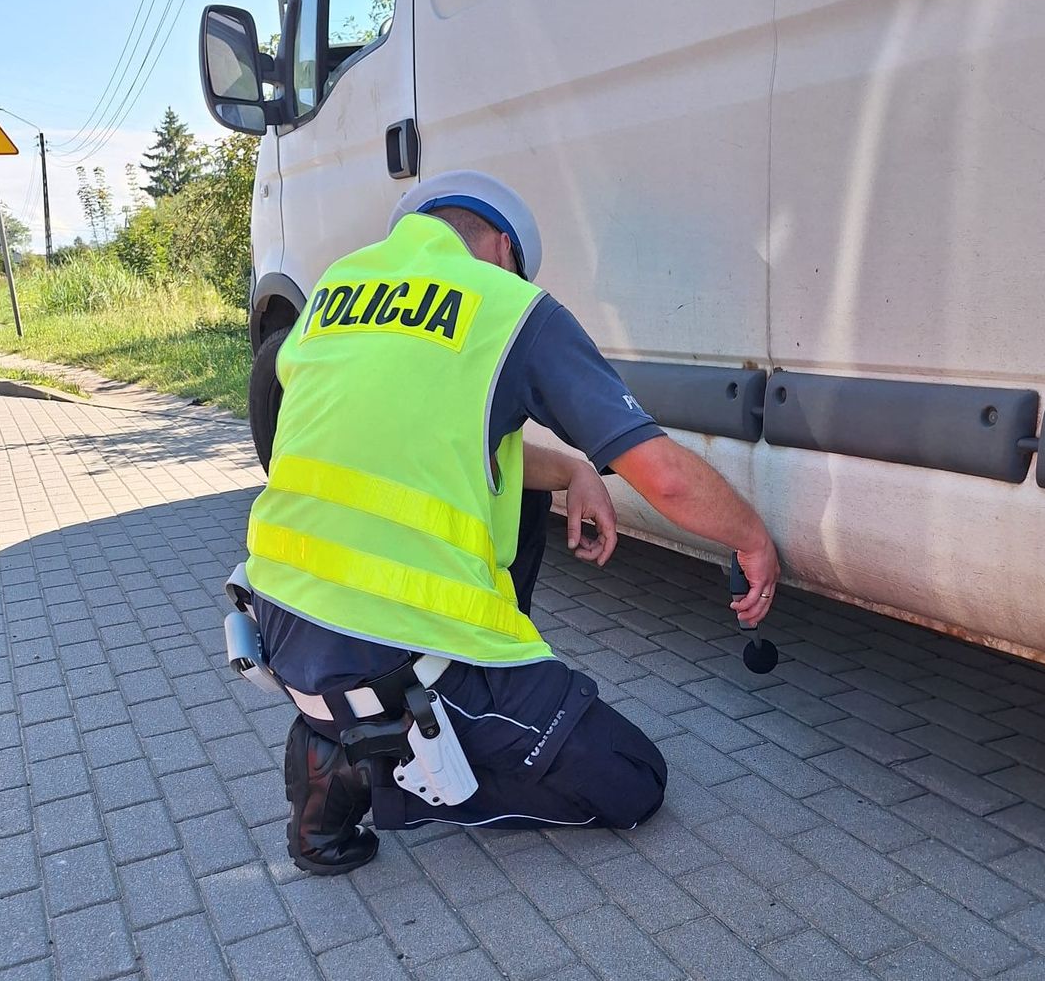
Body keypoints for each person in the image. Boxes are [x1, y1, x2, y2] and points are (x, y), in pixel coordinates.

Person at [244, 170, 780, 875]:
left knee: (520, 492)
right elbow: (666, 477)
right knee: (632, 779)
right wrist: (752, 538)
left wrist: (576, 471)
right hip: (399, 648)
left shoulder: (337, 291)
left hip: (280, 621)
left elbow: (434, 444)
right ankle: (368, 768)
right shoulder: (509, 307)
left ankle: (347, 738)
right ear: (503, 247)